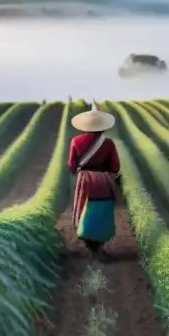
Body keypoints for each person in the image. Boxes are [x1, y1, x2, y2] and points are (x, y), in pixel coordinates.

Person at [68, 102, 121, 259]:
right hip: (104, 182)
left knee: (85, 210)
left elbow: (71, 165)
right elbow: (115, 166)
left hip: (85, 181)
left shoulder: (76, 141)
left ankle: (89, 244)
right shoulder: (108, 143)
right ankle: (99, 246)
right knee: (102, 211)